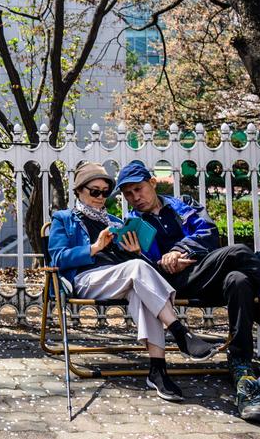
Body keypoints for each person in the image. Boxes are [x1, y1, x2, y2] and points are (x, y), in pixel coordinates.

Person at [116, 160, 260, 423]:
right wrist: (161, 260)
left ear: (152, 183)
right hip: (170, 284)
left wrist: (181, 250)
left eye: (139, 189)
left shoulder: (182, 204)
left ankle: (242, 366)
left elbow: (209, 232)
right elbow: (141, 271)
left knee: (239, 280)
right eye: (128, 194)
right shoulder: (133, 225)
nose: (135, 198)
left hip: (205, 274)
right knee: (240, 251)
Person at [48, 162, 218, 401]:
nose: (100, 197)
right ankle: (180, 332)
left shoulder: (117, 221)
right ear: (78, 191)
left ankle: (158, 372)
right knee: (136, 270)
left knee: (140, 287)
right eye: (94, 191)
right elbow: (57, 257)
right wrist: (94, 248)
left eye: (105, 192)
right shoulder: (64, 219)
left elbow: (138, 262)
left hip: (123, 275)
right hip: (87, 278)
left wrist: (136, 251)